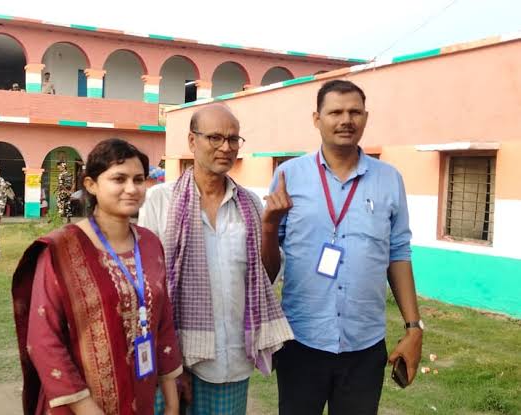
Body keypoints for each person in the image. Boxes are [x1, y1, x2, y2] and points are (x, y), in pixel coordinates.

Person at [263, 80, 422, 415]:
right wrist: (269, 226)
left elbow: (399, 253)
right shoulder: (288, 175)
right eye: (335, 112)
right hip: (301, 341)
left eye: (354, 112)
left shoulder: (389, 179)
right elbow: (268, 267)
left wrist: (413, 328)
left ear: (366, 117)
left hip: (364, 346)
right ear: (316, 118)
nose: (345, 119)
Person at [138, 104, 293, 414]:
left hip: (229, 361)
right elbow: (146, 288)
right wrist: (168, 361)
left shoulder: (249, 203)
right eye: (215, 137)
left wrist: (270, 227)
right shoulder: (160, 201)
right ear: (192, 142)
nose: (226, 147)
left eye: (234, 139)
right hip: (169, 359)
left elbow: (268, 276)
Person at [12, 138, 182, 415]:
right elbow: (44, 340)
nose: (131, 188)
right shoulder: (61, 249)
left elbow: (162, 324)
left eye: (139, 179)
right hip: (77, 405)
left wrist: (172, 402)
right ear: (91, 185)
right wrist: (87, 409)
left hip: (141, 395)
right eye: (119, 179)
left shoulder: (151, 244)